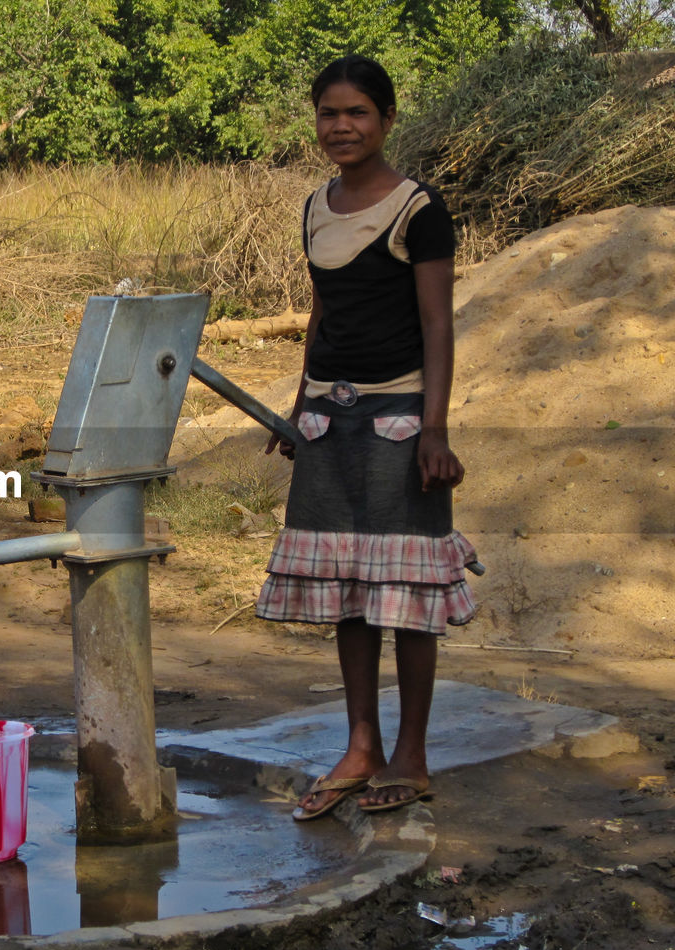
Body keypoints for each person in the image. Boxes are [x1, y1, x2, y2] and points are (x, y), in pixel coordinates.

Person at [258, 55, 479, 820]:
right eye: (329, 113)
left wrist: (435, 428)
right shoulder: (316, 206)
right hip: (329, 417)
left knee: (408, 593)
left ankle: (411, 758)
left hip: (398, 420)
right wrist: (297, 410)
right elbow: (322, 314)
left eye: (357, 113)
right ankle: (362, 749)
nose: (341, 127)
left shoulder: (420, 209)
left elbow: (437, 323)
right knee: (350, 592)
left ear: (386, 120)